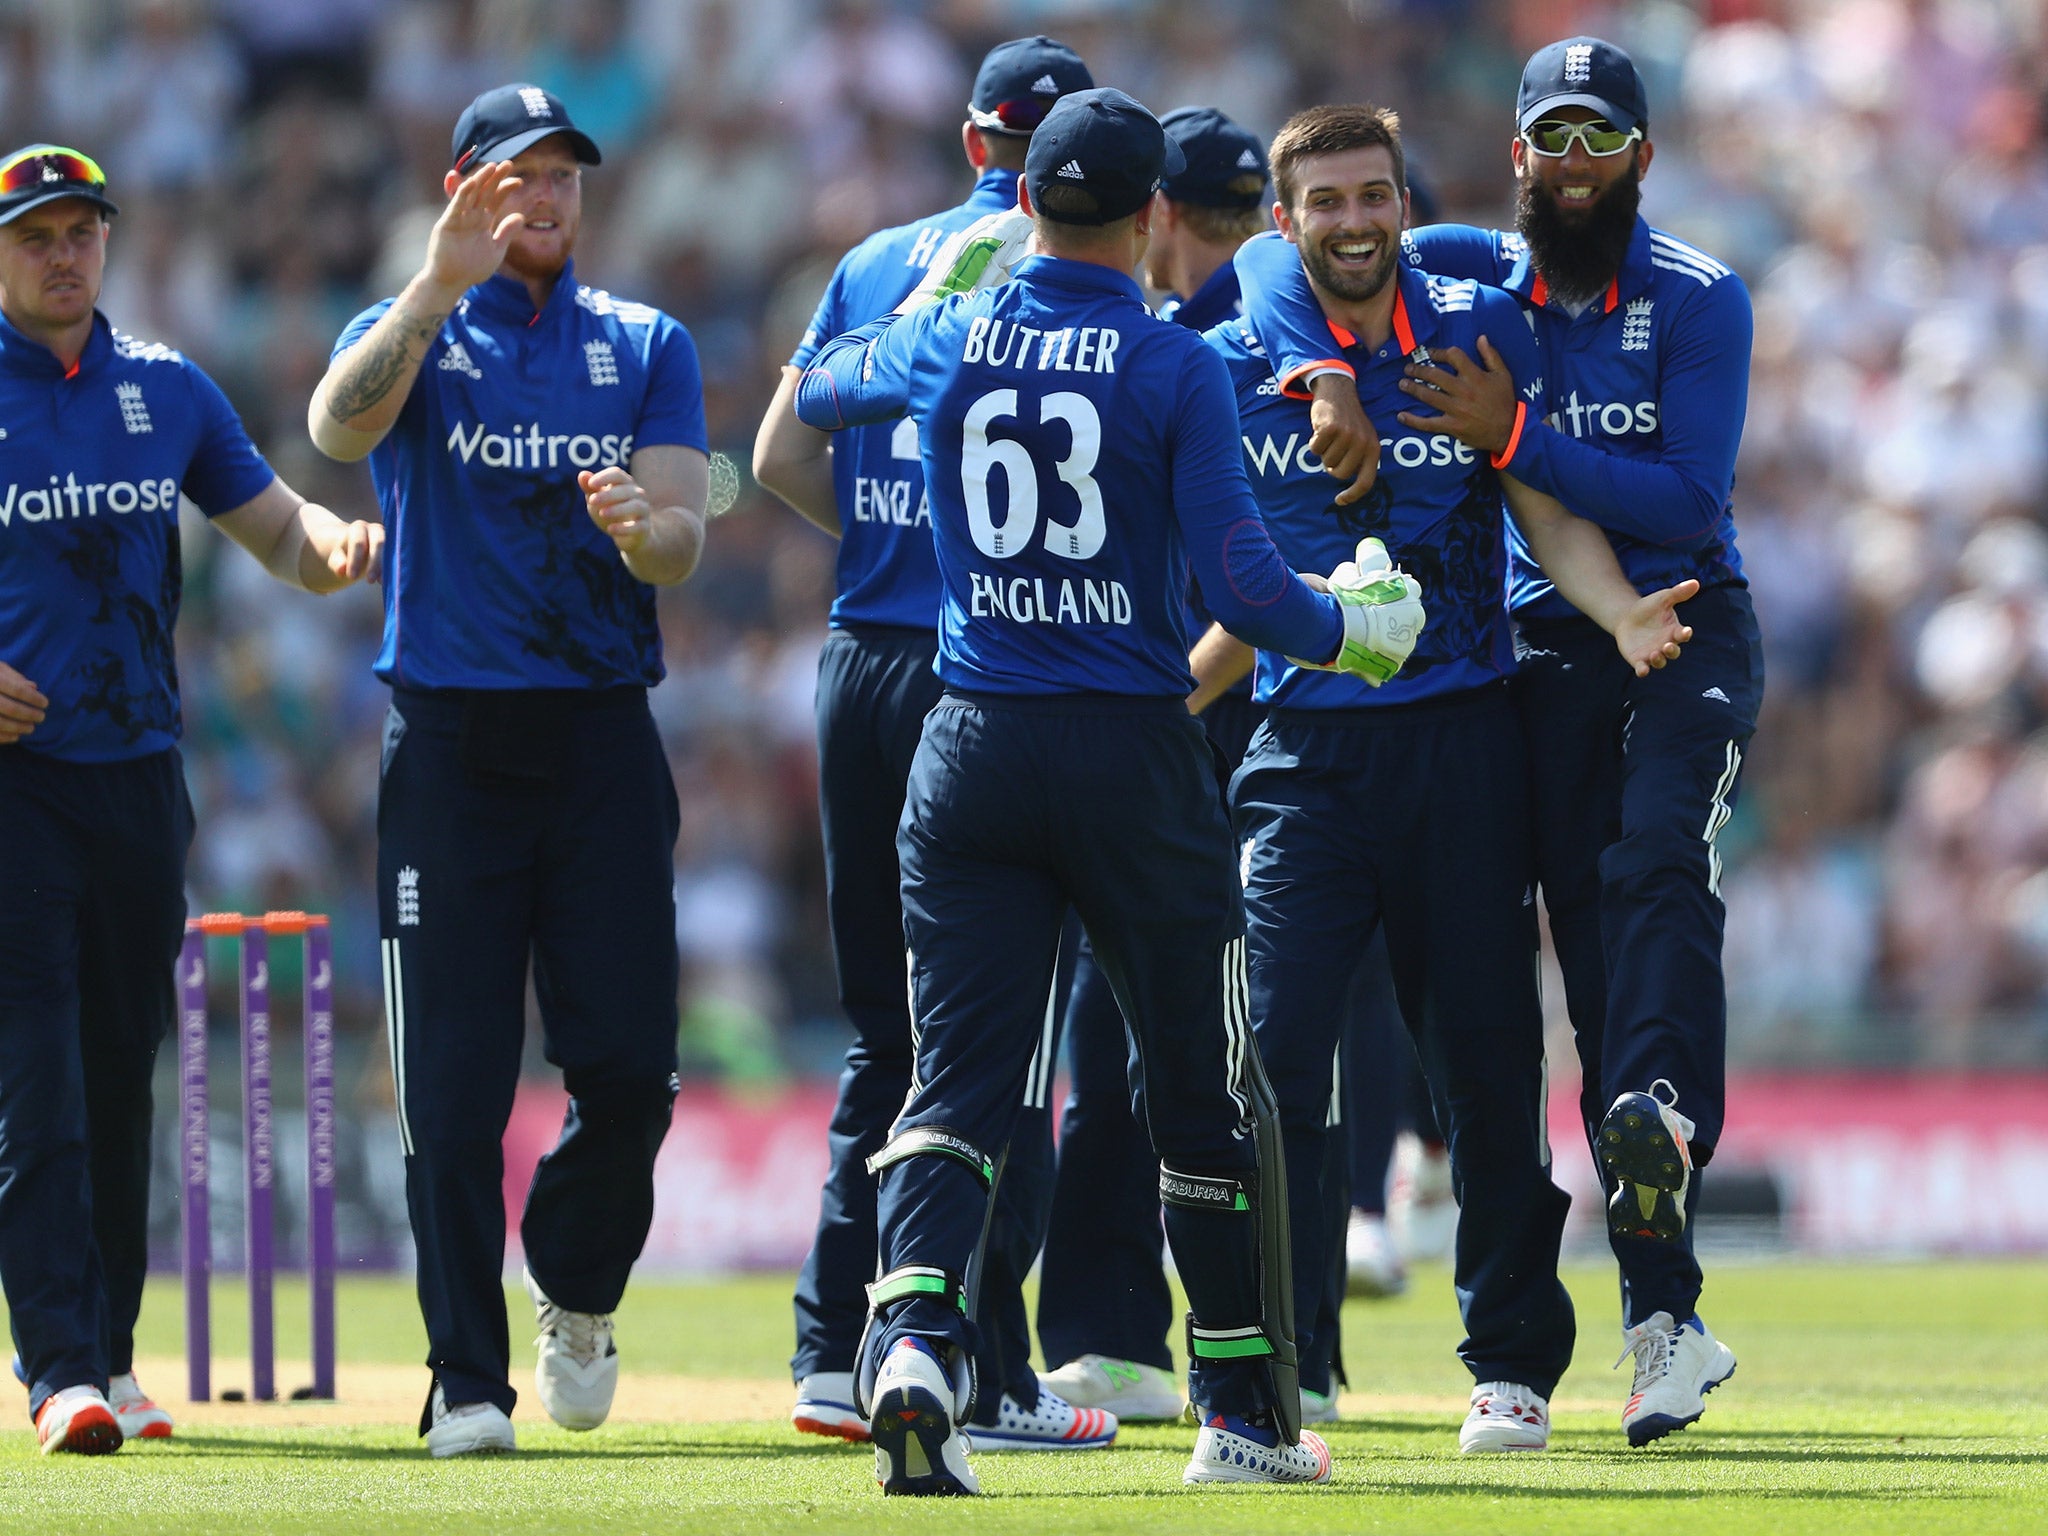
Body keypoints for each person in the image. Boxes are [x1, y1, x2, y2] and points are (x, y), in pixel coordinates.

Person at [793, 88, 1426, 1493]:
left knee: (955, 1080)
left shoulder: (953, 335)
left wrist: (934, 301)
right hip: (1131, 756)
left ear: (1025, 205)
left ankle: (907, 1342)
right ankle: (1246, 1415)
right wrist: (1356, 627)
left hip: (971, 749)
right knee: (1197, 1090)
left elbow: (819, 394)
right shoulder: (1170, 365)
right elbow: (1251, 589)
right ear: (1152, 218)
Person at [1235, 38, 1758, 1446]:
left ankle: (1628, 1262)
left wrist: (1518, 433)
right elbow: (1268, 265)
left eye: (1604, 142)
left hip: (1650, 627)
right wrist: (1312, 371)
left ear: (1641, 156)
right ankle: (1279, 1369)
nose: (1577, 167)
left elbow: (1664, 494)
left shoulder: (1655, 305)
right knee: (1378, 1037)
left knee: (1612, 928)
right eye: (1553, 142)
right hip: (1471, 684)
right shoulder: (1440, 290)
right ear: (1515, 158)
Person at [307, 85, 710, 1457]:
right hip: (454, 744)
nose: (544, 201)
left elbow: (681, 547)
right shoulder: (418, 328)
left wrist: (642, 524)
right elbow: (335, 433)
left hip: (601, 737)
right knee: (451, 1096)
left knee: (635, 1073)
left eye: (564, 180)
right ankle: (465, 1379)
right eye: (518, 178)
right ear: (465, 189)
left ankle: (577, 1293)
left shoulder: (644, 341)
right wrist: (433, 285)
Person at [753, 36, 1116, 1454]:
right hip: (998, 671)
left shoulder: (874, 263)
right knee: (1004, 1044)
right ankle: (991, 1368)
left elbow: (783, 452)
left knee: (885, 1038)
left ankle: (831, 1353)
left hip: (863, 663)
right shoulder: (1075, 279)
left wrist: (894, 546)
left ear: (974, 144)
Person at [0, 143, 381, 1455]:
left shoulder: (164, 389)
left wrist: (329, 550)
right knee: (37, 1077)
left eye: (80, 232)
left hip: (138, 780)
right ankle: (56, 1367)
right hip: (16, 790)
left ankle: (107, 1355)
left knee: (118, 1078)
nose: (62, 255)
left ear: (108, 242)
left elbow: (273, 527)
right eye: (35, 235)